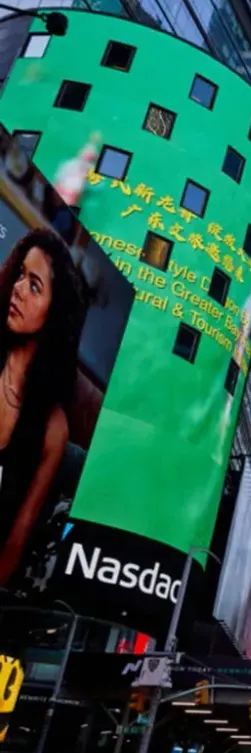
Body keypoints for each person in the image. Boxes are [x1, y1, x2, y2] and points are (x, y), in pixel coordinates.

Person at [0, 229, 84, 586]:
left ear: (54, 314)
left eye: (34, 286)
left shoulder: (53, 428)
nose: (18, 288)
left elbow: (15, 542)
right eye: (20, 273)